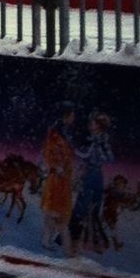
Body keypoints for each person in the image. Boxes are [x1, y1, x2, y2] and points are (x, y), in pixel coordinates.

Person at [70, 112, 114, 253]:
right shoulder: (93, 139)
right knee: (86, 205)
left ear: (99, 126)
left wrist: (76, 150)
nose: (90, 125)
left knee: (89, 206)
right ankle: (78, 238)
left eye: (93, 123)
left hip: (93, 175)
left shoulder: (100, 141)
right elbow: (88, 155)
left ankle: (86, 239)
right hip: (92, 174)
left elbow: (108, 157)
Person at [41, 102, 76, 253]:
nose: (73, 119)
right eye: (72, 115)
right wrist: (57, 167)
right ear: (66, 116)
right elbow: (49, 154)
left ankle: (49, 241)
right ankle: (55, 243)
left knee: (57, 213)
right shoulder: (56, 135)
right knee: (56, 213)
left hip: (63, 179)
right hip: (57, 179)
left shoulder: (63, 133)